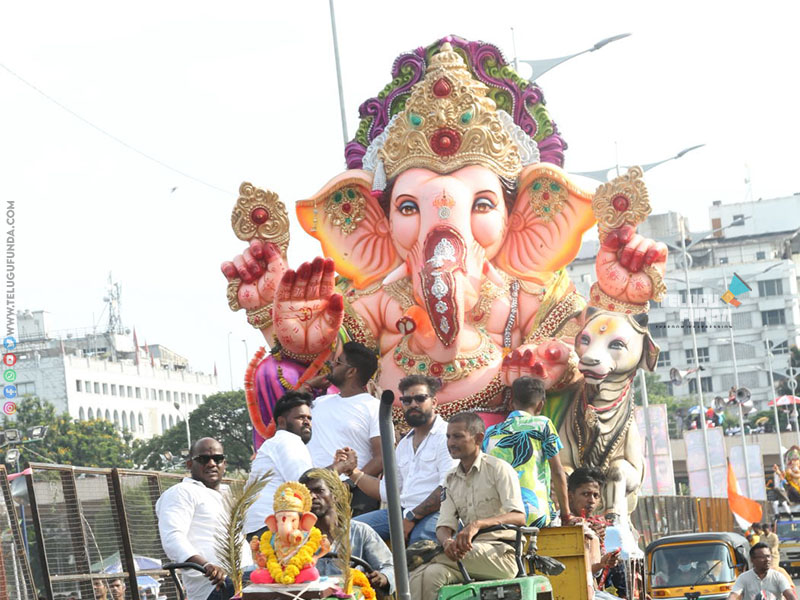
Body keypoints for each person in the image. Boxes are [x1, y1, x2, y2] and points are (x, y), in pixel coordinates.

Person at [409, 412, 525, 600]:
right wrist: (446, 541)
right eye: (448, 436)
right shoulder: (450, 479)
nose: (450, 443)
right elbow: (444, 526)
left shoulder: (499, 469)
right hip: (467, 555)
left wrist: (477, 525)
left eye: (458, 436)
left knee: (420, 555)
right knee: (426, 575)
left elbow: (519, 517)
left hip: (502, 555)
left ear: (479, 438)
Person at [349, 375, 456, 543]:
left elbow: (447, 489)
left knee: (419, 540)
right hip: (403, 512)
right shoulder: (404, 445)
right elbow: (388, 491)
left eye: (420, 398)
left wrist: (412, 518)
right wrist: (353, 472)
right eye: (407, 400)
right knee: (352, 530)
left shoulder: (446, 436)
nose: (413, 404)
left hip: (439, 512)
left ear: (434, 402)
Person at [243, 391, 355, 540]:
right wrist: (341, 466)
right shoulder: (287, 440)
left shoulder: (280, 444)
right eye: (300, 417)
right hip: (274, 525)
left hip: (267, 525)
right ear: (282, 422)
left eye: (309, 418)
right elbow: (306, 484)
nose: (307, 422)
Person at [156, 437, 247, 600]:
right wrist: (206, 566)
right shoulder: (181, 492)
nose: (212, 464)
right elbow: (172, 537)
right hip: (214, 587)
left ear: (224, 464)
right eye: (204, 459)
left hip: (246, 577)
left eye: (218, 459)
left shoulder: (229, 495)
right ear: (189, 464)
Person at [304, 341, 382, 514]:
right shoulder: (320, 402)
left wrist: (349, 484)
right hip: (313, 494)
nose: (332, 364)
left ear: (351, 371)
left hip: (353, 497)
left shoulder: (374, 407)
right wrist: (308, 386)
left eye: (338, 362)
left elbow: (382, 457)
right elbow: (286, 411)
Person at [483, 377, 569, 527]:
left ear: (511, 403)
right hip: (534, 513)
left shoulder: (490, 432)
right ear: (540, 405)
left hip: (498, 516)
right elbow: (557, 472)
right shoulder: (542, 424)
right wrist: (566, 514)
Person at [297, 469, 395, 597]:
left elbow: (390, 567)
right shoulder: (295, 537)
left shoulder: (361, 532)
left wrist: (383, 577)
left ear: (336, 494)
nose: (312, 496)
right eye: (306, 493)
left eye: (319, 491)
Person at [567, 468, 625, 597]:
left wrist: (604, 562)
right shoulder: (562, 525)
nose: (591, 500)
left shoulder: (596, 526)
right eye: (586, 494)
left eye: (595, 495)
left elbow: (592, 571)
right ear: (570, 496)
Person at [729, 542, 797, 600]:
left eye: (768, 556)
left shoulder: (778, 576)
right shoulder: (743, 578)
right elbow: (734, 595)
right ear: (752, 560)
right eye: (762, 557)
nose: (767, 559)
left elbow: (790, 595)